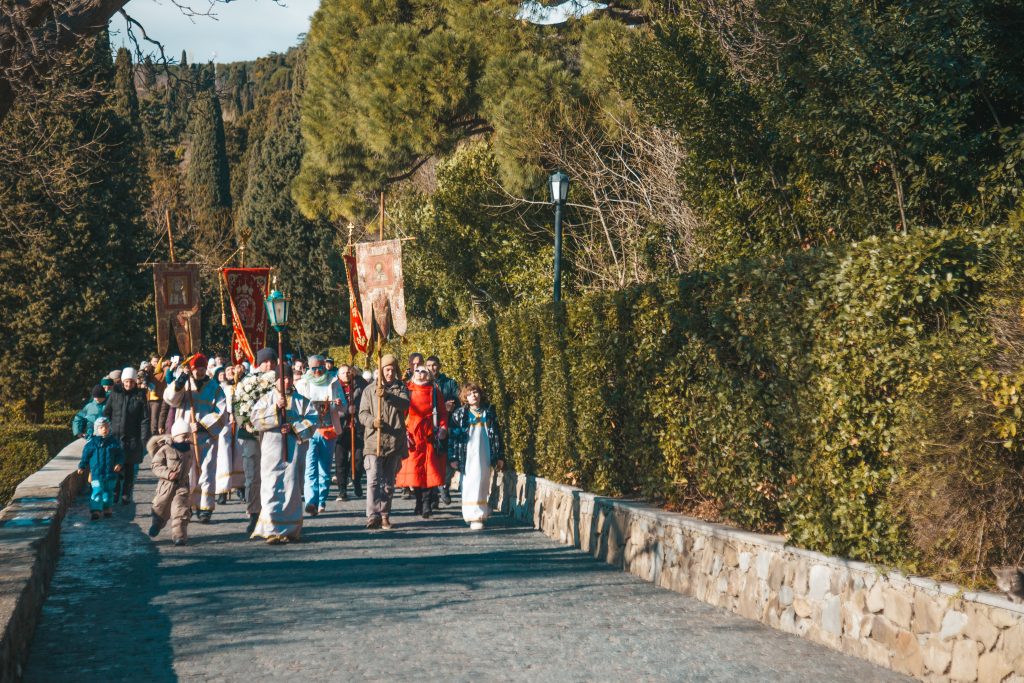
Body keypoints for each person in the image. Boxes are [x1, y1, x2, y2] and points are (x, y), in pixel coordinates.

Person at [248, 366, 317, 544]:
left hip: (293, 451)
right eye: (283, 378)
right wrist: (275, 409)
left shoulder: (302, 401)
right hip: (271, 450)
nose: (286, 381)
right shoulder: (267, 399)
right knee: (271, 487)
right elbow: (255, 420)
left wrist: (293, 428)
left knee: (291, 487)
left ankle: (291, 529)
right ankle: (272, 530)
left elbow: (313, 420)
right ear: (276, 380)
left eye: (289, 378)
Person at [163, 353, 226, 523]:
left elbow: (221, 413)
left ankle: (205, 507)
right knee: (187, 472)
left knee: (207, 471)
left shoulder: (215, 388)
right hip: (185, 436)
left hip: (206, 437)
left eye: (203, 368)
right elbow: (170, 399)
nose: (200, 371)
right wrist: (180, 382)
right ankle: (187, 505)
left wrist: (202, 425)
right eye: (197, 368)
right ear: (191, 369)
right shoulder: (185, 384)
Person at [358, 354, 410, 530]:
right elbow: (362, 414)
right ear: (380, 371)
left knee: (388, 483)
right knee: (373, 479)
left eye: (392, 370)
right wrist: (373, 422)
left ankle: (385, 515)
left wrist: (388, 396)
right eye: (387, 370)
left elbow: (405, 405)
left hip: (394, 441)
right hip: (374, 441)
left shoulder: (400, 388)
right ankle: (372, 515)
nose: (390, 373)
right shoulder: (369, 390)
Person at [448, 382, 505, 530]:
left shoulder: (489, 413)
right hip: (467, 454)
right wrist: (453, 457)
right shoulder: (459, 414)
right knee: (469, 483)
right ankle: (472, 515)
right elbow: (453, 437)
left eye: (475, 392)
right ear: (465, 397)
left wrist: (499, 456)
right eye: (469, 394)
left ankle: (481, 513)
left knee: (483, 482)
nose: (473, 396)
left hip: (484, 452)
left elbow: (497, 436)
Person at [396, 365, 448, 518]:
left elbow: (442, 412)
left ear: (429, 375)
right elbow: (401, 414)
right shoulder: (408, 390)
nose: (419, 373)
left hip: (430, 434)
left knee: (429, 470)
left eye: (423, 371)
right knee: (415, 472)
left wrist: (443, 428)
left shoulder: (434, 392)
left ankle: (426, 504)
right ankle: (419, 502)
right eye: (417, 371)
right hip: (413, 435)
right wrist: (403, 432)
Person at [296, 355, 345, 515]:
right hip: (309, 430)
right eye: (314, 368)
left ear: (325, 366)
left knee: (324, 468)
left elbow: (344, 407)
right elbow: (296, 407)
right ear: (308, 368)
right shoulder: (302, 383)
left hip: (328, 429)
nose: (317, 371)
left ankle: (321, 501)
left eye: (321, 368)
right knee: (310, 468)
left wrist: (338, 404)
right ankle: (311, 502)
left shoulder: (333, 381)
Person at [237, 349, 277, 534]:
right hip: (251, 435)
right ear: (258, 363)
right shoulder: (248, 382)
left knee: (273, 475)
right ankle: (254, 513)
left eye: (272, 362)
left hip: (273, 434)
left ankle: (272, 513)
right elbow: (239, 404)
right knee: (252, 475)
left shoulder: (279, 382)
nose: (269, 365)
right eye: (265, 362)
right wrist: (245, 422)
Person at [105, 366, 150, 504]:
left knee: (129, 466)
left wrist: (144, 438)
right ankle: (116, 490)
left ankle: (126, 492)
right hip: (115, 436)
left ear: (135, 382)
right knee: (116, 465)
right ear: (122, 381)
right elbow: (107, 412)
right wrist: (107, 430)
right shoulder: (115, 393)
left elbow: (144, 419)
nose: (129, 384)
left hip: (132, 437)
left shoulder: (140, 396)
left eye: (131, 382)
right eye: (126, 381)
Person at [147, 421, 194, 546]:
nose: (186, 439)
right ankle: (157, 524)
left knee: (180, 510)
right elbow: (156, 465)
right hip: (166, 486)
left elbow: (193, 466)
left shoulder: (190, 450)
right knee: (160, 508)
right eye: (184, 436)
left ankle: (179, 536)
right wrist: (168, 473)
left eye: (188, 436)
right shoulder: (166, 449)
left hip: (182, 486)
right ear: (175, 436)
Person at [425, 355, 460, 505]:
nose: (431, 368)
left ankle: (444, 485)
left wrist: (450, 407)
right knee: (431, 461)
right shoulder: (423, 383)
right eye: (428, 365)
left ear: (439, 366)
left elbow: (458, 401)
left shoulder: (450, 383)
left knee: (447, 460)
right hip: (429, 427)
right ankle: (433, 495)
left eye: (434, 365)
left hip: (447, 426)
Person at [77, 417, 124, 521]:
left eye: (106, 427)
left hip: (110, 473)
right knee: (97, 490)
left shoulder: (114, 443)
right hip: (96, 473)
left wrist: (119, 463)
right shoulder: (92, 443)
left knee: (108, 492)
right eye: (101, 427)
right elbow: (85, 456)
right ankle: (96, 510)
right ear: (96, 429)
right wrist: (82, 466)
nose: (104, 429)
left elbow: (120, 455)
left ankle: (107, 507)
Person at [334, 364, 366, 501]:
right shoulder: (334, 388)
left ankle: (356, 480)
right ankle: (342, 490)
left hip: (357, 427)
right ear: (338, 375)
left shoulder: (359, 385)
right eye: (343, 373)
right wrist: (346, 411)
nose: (346, 375)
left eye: (348, 372)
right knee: (341, 460)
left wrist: (356, 410)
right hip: (340, 428)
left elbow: (366, 402)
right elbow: (331, 409)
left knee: (358, 459)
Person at [214, 366, 245, 504]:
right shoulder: (221, 388)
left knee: (239, 456)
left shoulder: (242, 385)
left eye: (233, 369)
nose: (231, 372)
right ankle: (222, 490)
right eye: (228, 370)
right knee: (224, 457)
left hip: (239, 424)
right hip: (225, 425)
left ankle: (240, 487)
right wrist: (228, 414)